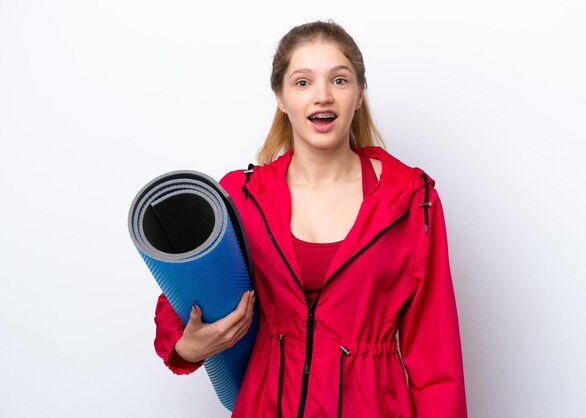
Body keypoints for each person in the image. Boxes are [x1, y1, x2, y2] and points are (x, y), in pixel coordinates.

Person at [153, 20, 468, 418]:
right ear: (281, 97)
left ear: (359, 95)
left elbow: (437, 359)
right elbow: (181, 298)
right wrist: (186, 347)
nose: (323, 96)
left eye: (339, 80)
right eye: (303, 82)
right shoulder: (241, 198)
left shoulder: (411, 202)